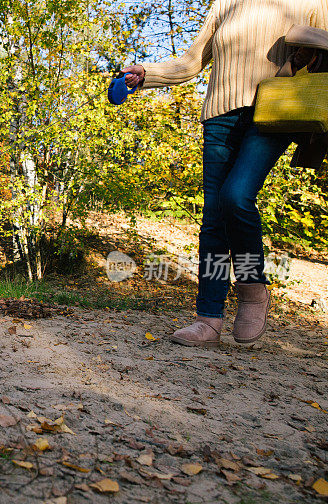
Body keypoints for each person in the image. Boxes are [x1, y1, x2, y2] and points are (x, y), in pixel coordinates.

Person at [121, 0, 328, 347]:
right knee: (214, 217)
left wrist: (310, 48)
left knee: (237, 196)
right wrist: (147, 72)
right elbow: (191, 61)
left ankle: (252, 287)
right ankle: (209, 319)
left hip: (275, 110)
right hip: (220, 115)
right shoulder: (226, 3)